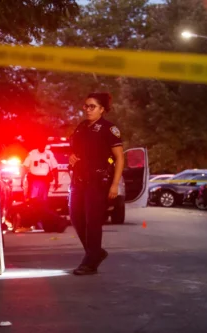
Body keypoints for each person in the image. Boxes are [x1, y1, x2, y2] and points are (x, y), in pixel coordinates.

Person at [68, 92, 125, 276]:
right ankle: (96, 253)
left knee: (92, 221)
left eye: (92, 106)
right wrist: (72, 157)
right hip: (78, 181)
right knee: (76, 218)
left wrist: (115, 185)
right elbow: (75, 150)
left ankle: (90, 262)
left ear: (102, 109)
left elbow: (119, 158)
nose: (88, 109)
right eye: (86, 106)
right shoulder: (81, 127)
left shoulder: (109, 129)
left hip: (98, 181)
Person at [21, 137, 59, 202]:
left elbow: (55, 168)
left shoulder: (49, 154)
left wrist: (56, 181)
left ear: (45, 145)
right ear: (38, 145)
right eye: (40, 144)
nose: (42, 146)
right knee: (33, 200)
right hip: (34, 180)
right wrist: (22, 180)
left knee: (44, 200)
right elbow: (25, 167)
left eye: (43, 144)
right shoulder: (32, 153)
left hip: (45, 180)